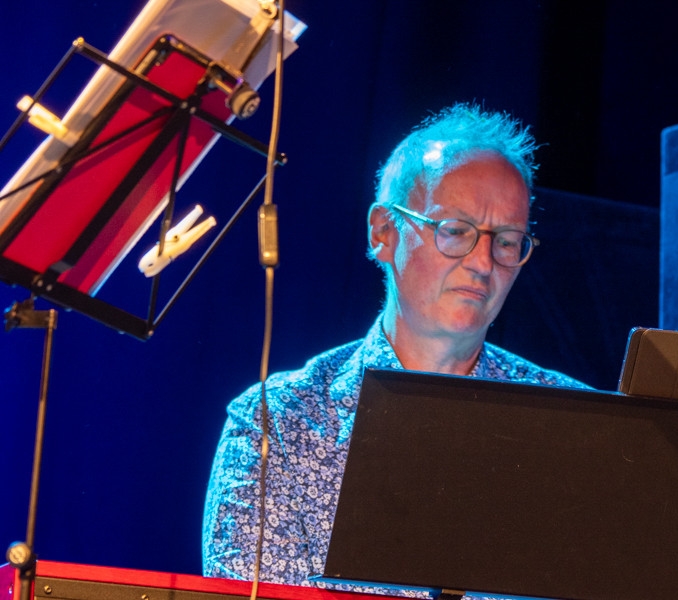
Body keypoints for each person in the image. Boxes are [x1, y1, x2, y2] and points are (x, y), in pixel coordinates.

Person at [202, 102, 590, 588]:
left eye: (507, 241)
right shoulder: (279, 422)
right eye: (456, 232)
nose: (483, 263)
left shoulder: (575, 424)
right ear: (384, 231)